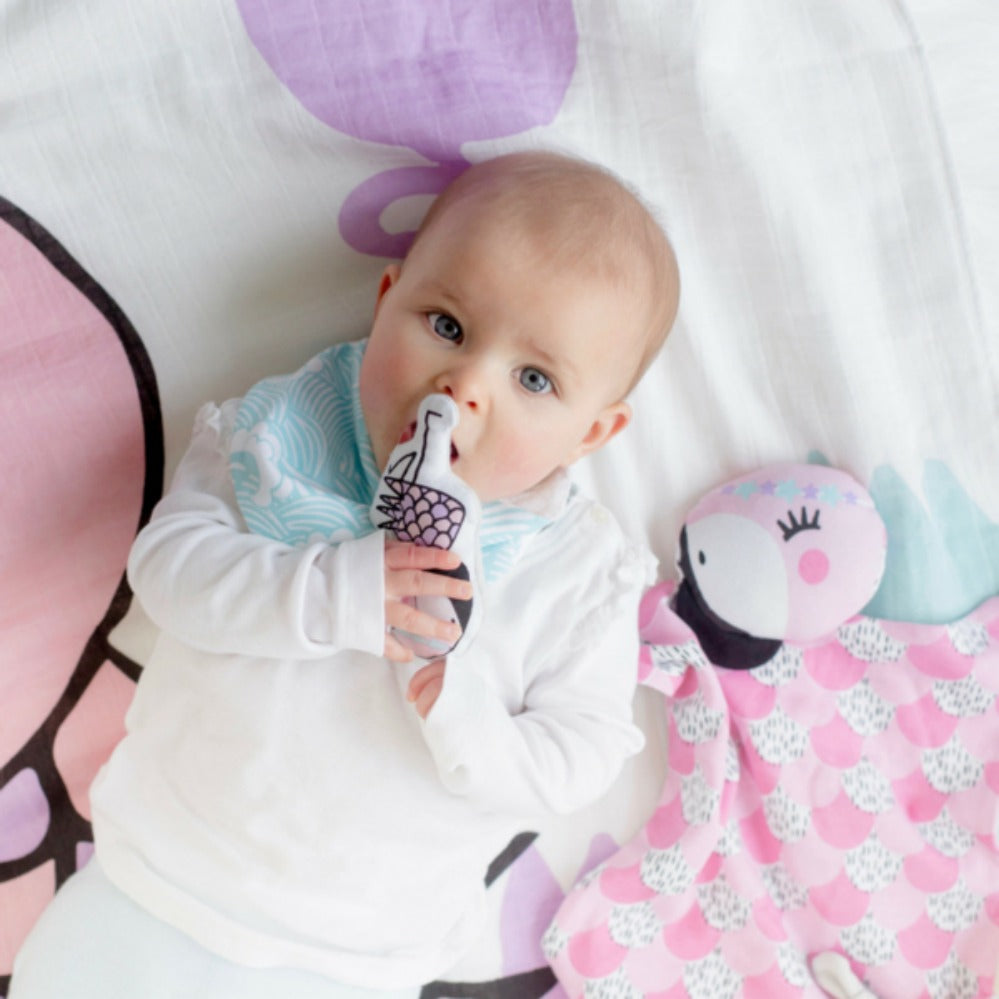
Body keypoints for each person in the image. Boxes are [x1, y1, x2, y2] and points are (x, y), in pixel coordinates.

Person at [10, 150, 680, 999]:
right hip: (153, 885)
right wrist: (332, 591)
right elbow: (169, 571)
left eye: (534, 379)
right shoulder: (279, 441)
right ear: (385, 298)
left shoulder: (577, 575)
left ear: (591, 432)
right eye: (446, 325)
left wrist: (465, 716)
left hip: (358, 956)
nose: (465, 386)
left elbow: (578, 759)